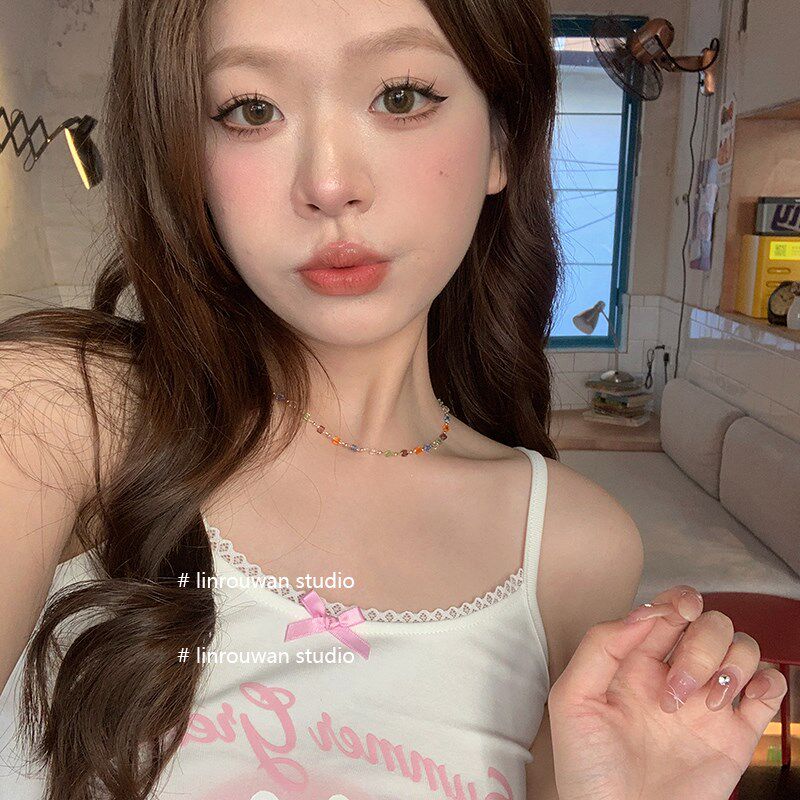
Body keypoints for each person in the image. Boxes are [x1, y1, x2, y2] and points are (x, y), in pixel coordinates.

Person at [0, 1, 785, 799]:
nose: (329, 185)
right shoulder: (58, 413)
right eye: (250, 110)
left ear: (502, 141)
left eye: (401, 96)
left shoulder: (573, 548)